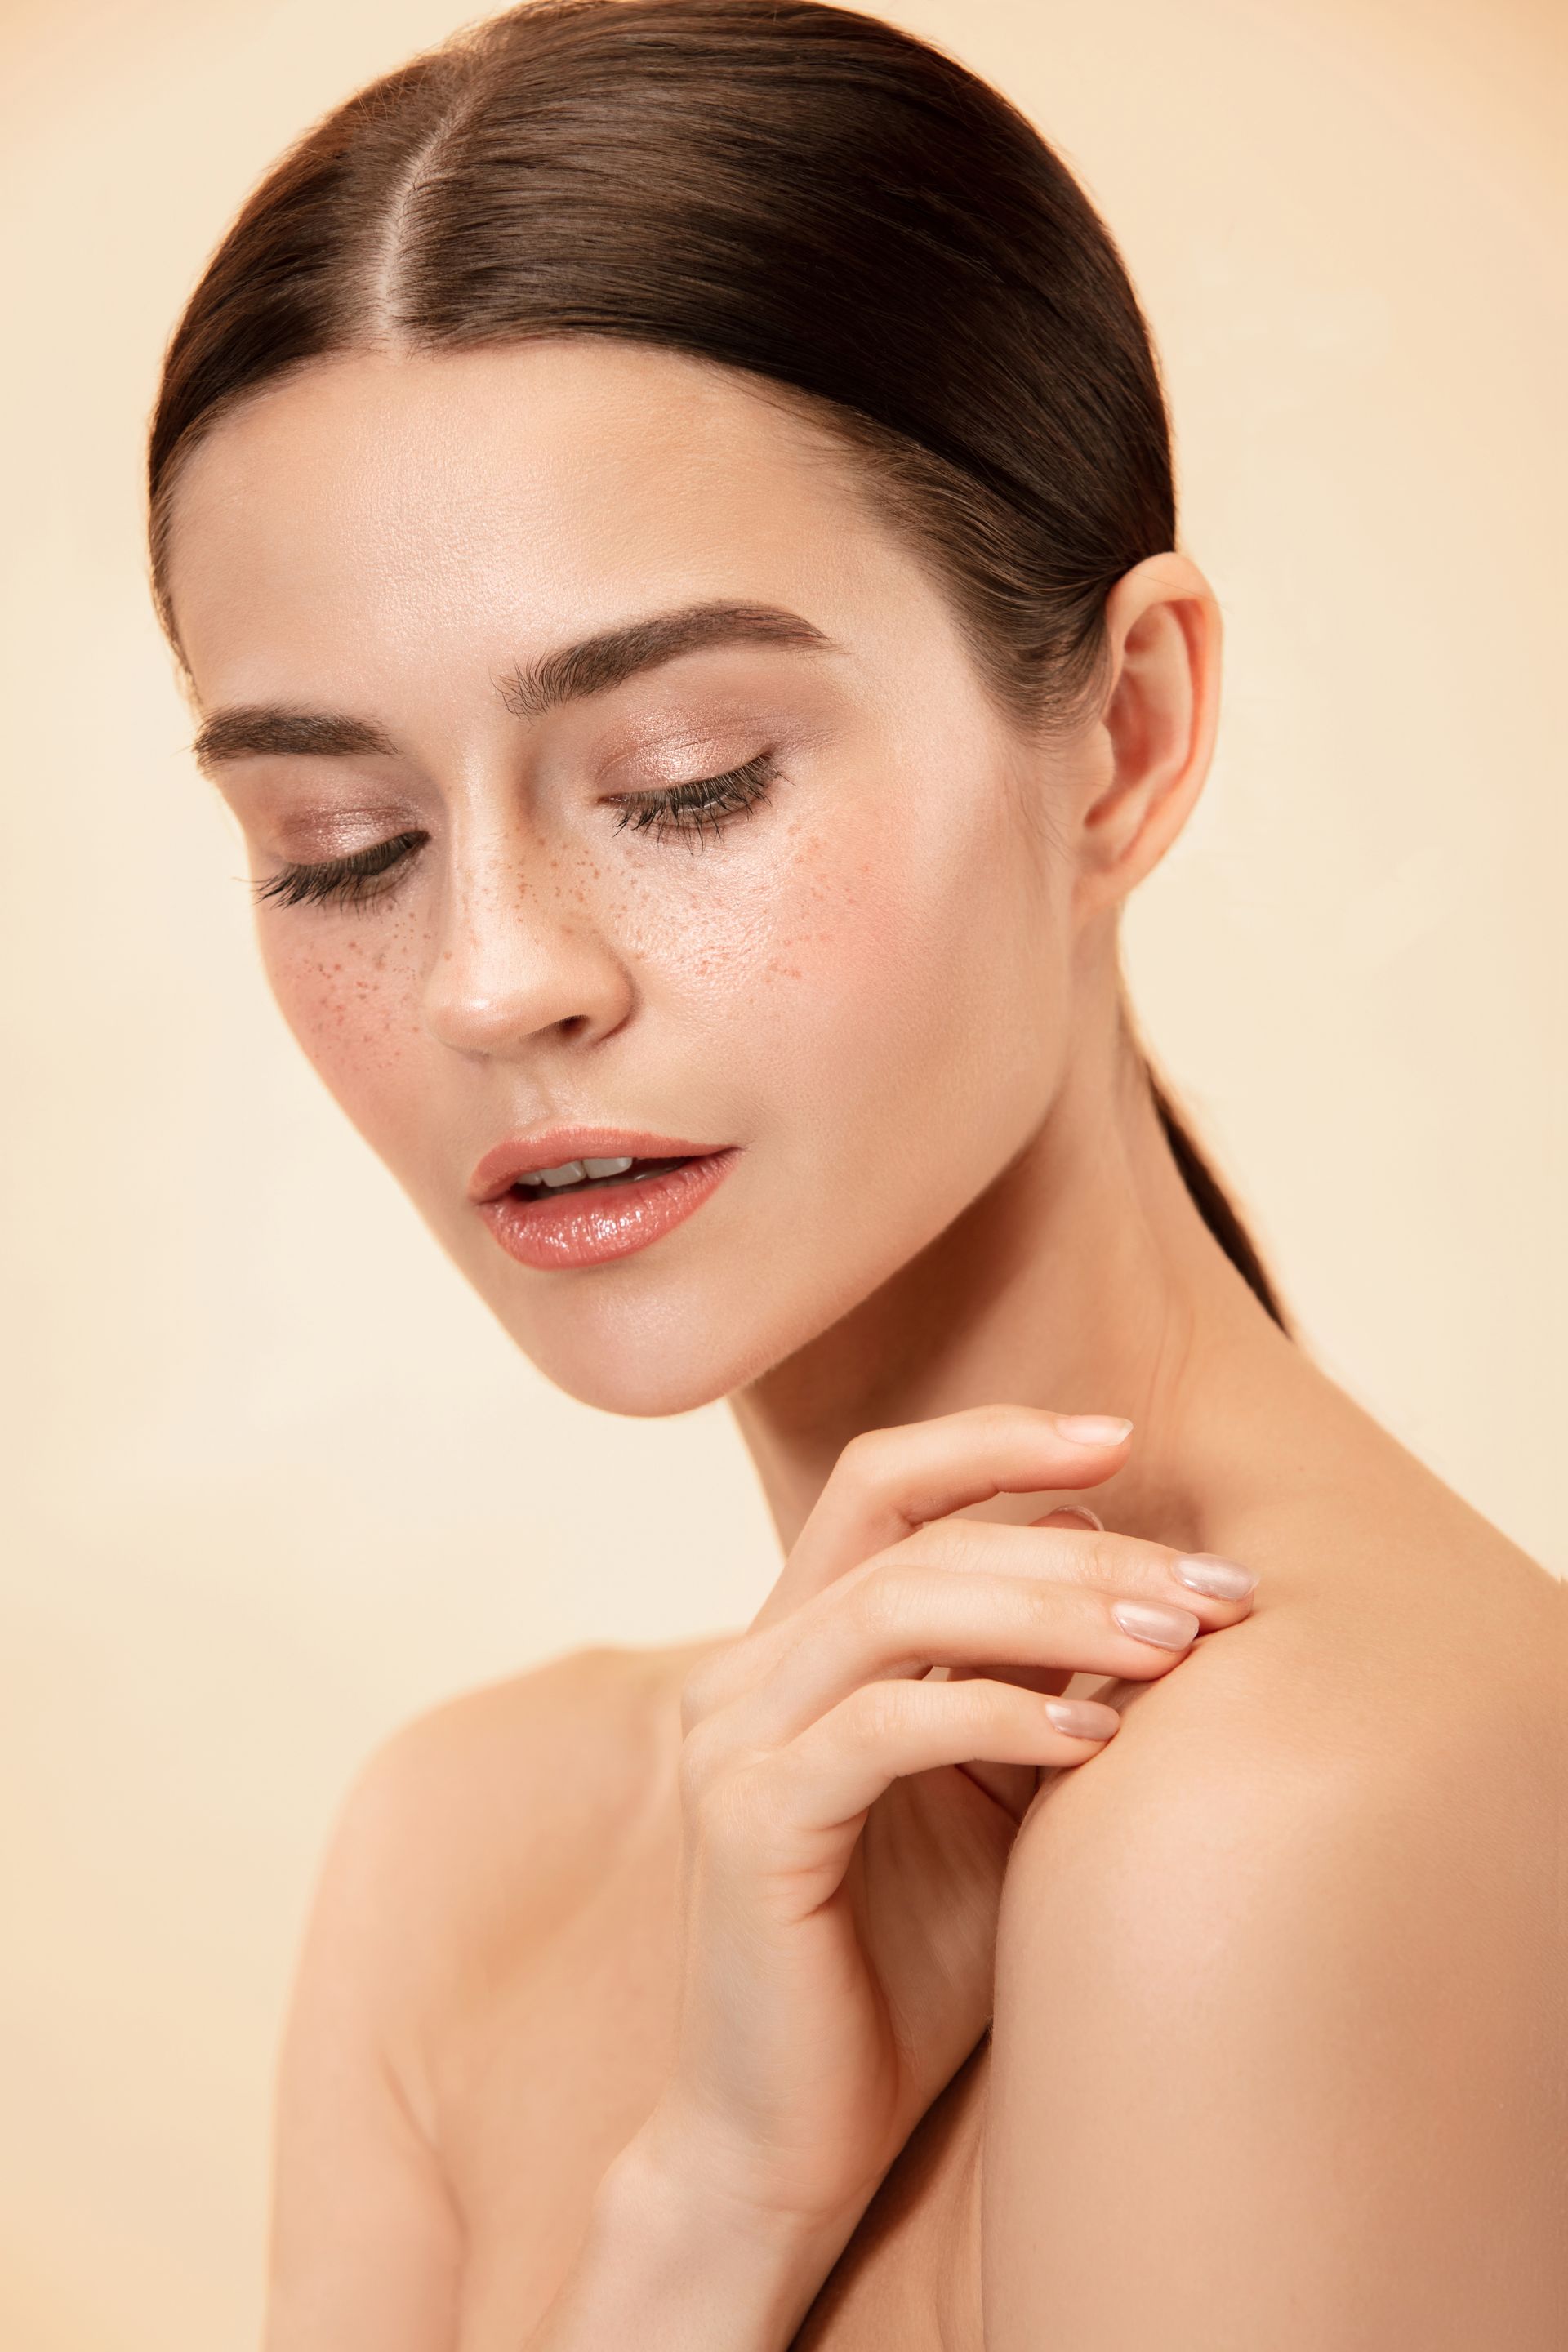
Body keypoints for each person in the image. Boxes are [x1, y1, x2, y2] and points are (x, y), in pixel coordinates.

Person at [144, 2, 1563, 2345]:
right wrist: (703, 2210)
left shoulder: (1291, 1820)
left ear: (1126, 734)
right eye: (342, 844)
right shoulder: (462, 1846)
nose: (495, 977)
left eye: (687, 779)